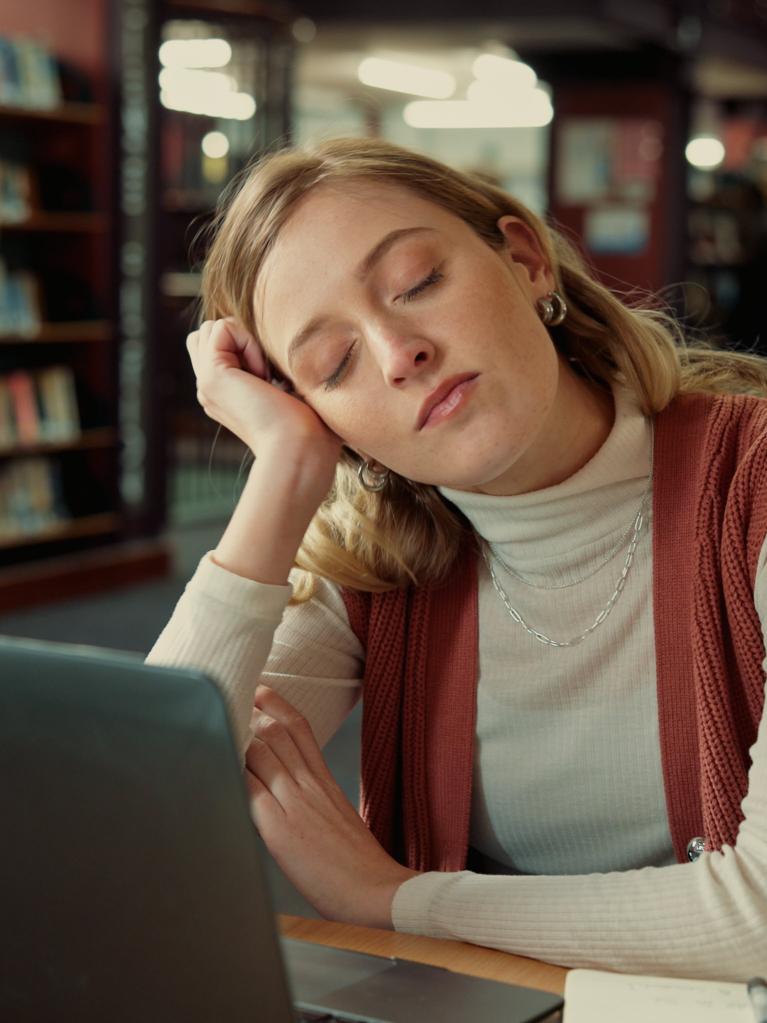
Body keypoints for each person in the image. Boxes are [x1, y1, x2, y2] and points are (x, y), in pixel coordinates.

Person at [147, 137, 767, 981]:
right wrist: (286, 473)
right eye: (334, 364)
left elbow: (754, 917)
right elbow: (141, 814)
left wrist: (394, 898)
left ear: (524, 260)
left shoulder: (753, 486)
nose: (399, 351)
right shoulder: (379, 563)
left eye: (417, 283)